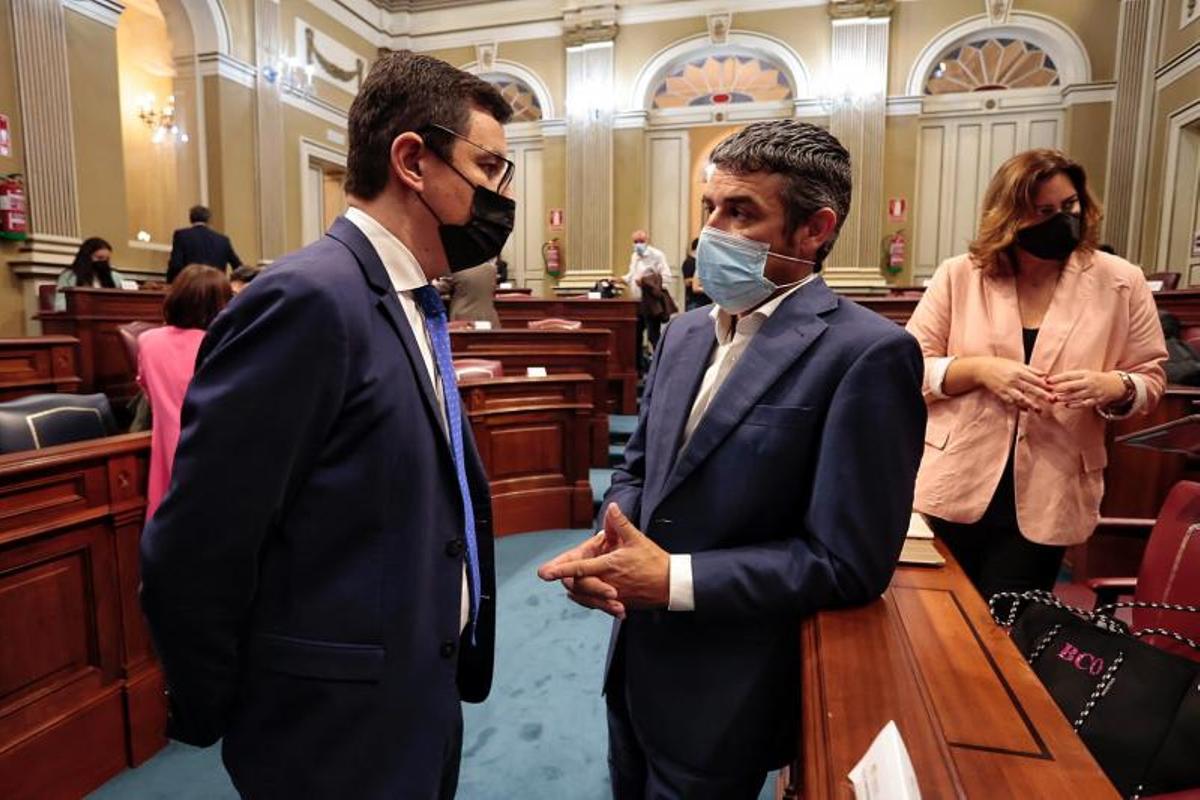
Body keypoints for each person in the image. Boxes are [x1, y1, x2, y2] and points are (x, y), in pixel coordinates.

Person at [139, 51, 514, 798]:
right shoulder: (309, 298)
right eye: (491, 166)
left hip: (412, 696)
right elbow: (201, 538)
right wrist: (220, 702)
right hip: (327, 730)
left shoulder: (411, 296)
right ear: (412, 159)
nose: (501, 194)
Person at [538, 120, 926, 799]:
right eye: (709, 208)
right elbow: (639, 470)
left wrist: (673, 579)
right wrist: (609, 545)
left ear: (815, 230)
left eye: (741, 211)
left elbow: (848, 563)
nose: (712, 231)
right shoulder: (687, 332)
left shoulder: (867, 355)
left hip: (730, 685)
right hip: (633, 661)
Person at [906, 149, 1167, 599]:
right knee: (938, 622)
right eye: (1043, 211)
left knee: (1009, 631)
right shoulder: (959, 276)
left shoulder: (1121, 280)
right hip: (956, 479)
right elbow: (910, 370)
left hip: (1053, 483)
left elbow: (1150, 376)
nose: (1062, 220)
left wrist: (1114, 386)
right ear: (1010, 216)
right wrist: (979, 370)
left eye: (1070, 206)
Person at [138, 265, 231, 521]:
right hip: (217, 457)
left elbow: (147, 392)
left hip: (168, 458)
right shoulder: (224, 345)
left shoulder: (148, 341)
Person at [623, 230, 673, 367]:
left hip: (650, 303)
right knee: (636, 336)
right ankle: (638, 368)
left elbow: (667, 277)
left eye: (641, 241)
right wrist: (620, 280)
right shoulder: (634, 256)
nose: (638, 244)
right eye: (635, 242)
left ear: (647, 241)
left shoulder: (657, 255)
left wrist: (646, 281)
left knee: (653, 336)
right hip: (637, 303)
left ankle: (661, 365)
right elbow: (632, 275)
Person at [167, 205, 242, 282]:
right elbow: (238, 267)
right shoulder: (223, 240)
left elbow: (176, 265)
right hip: (217, 286)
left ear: (191, 219)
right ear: (208, 220)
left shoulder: (182, 235)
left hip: (191, 286)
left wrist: (170, 284)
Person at [55, 237, 129, 310]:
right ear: (86, 258)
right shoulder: (68, 276)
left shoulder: (116, 277)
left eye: (107, 259)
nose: (103, 262)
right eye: (100, 258)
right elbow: (60, 304)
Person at [443, 259, 501, 327]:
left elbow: (441, 288)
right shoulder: (492, 269)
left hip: (463, 318)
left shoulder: (457, 270)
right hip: (488, 316)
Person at [680, 237, 710, 310]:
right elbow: (686, 282)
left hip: (703, 300)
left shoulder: (700, 262)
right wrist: (699, 280)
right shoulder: (689, 262)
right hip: (694, 301)